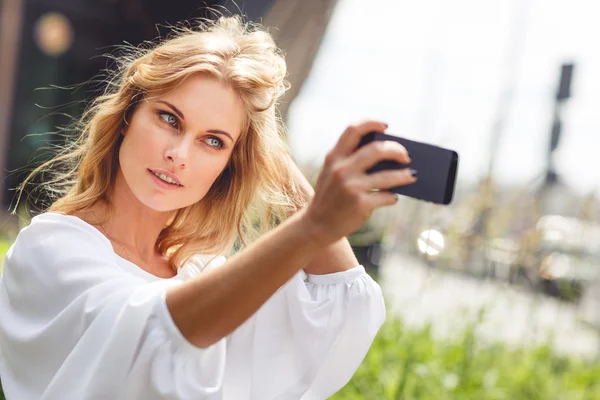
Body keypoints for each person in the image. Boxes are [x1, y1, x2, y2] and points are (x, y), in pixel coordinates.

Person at [0, 16, 416, 400]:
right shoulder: (49, 249)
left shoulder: (201, 273)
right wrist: (314, 225)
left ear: (229, 165)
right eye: (169, 119)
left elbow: (343, 308)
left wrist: (263, 140)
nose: (179, 155)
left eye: (213, 141)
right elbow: (151, 336)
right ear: (129, 114)